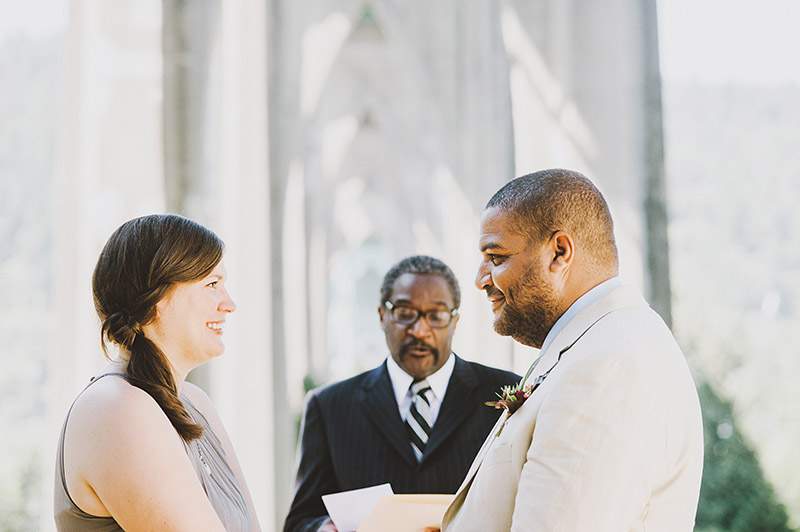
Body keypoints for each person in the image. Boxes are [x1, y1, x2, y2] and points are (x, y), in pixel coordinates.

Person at [441, 169, 704, 532]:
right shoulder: (595, 345)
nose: (480, 279)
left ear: (559, 253)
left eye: (496, 257)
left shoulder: (605, 367)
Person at [54, 214, 261, 532]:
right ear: (158, 297)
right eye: (212, 284)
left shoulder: (195, 402)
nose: (229, 304)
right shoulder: (116, 407)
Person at [284, 255, 520, 532]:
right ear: (382, 316)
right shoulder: (328, 407)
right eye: (405, 314)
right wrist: (322, 529)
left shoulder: (507, 395)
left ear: (455, 321)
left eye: (436, 316)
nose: (419, 330)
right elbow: (300, 521)